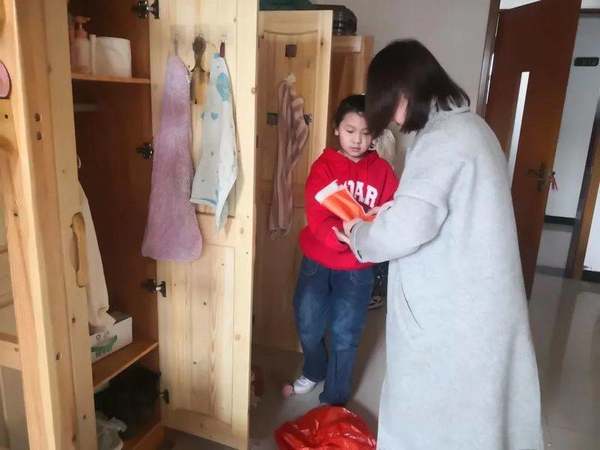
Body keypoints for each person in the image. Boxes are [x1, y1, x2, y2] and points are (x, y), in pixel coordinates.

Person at [335, 40, 543, 449]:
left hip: (456, 312)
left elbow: (407, 229)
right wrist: (393, 210)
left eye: (389, 106)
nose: (394, 121)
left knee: (433, 417)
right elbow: (437, 207)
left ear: (403, 92)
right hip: (482, 301)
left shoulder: (443, 139)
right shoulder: (473, 129)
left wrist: (359, 234)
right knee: (480, 416)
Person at [285, 94, 399, 405]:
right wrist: (337, 237)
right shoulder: (324, 166)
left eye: (366, 133)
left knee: (345, 333)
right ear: (337, 129)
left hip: (358, 268)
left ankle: (334, 396)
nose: (357, 140)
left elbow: (390, 213)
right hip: (318, 261)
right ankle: (314, 368)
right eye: (350, 131)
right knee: (308, 322)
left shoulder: (384, 172)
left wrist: (374, 231)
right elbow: (316, 213)